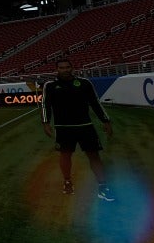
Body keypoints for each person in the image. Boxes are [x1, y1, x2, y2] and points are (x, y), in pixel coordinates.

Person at [41, 59, 114, 201]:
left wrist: (105, 120)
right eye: (62, 68)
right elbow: (46, 105)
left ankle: (103, 186)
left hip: (85, 126)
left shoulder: (84, 83)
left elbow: (95, 102)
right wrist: (45, 123)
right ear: (57, 69)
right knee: (65, 156)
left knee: (94, 156)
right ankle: (67, 181)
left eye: (68, 67)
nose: (65, 70)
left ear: (72, 68)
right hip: (63, 128)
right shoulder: (50, 85)